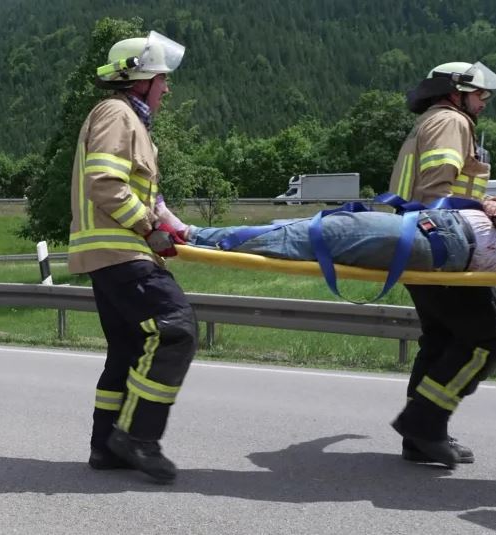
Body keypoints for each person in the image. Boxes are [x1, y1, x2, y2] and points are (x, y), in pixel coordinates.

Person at [67, 31, 197, 484]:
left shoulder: (135, 125)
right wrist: (149, 228)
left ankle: (106, 447)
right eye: (162, 79)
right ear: (139, 80)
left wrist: (179, 228)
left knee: (128, 347)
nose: (167, 87)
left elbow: (147, 194)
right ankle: (139, 437)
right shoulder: (116, 114)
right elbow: (103, 183)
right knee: (174, 330)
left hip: (113, 253)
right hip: (121, 250)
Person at [385, 61, 496, 468]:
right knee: (486, 337)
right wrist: (483, 208)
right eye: (480, 93)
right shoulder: (452, 122)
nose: (484, 102)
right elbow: (436, 192)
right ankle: (424, 424)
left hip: (419, 243)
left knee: (441, 338)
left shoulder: (434, 121)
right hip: (444, 245)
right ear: (456, 91)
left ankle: (421, 436)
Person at [165, 205, 490, 273]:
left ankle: (192, 235)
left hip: (440, 239)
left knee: (305, 235)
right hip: (439, 235)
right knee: (302, 230)